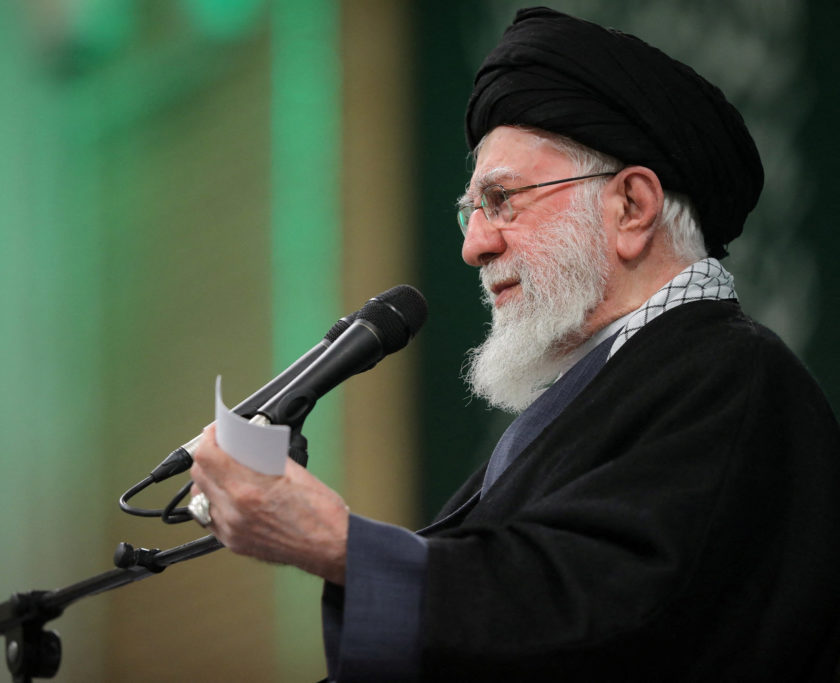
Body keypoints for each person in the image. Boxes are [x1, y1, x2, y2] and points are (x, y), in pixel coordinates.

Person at [189, 7, 840, 681]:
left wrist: (340, 543)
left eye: (502, 199)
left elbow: (599, 618)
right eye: (472, 211)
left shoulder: (732, 378)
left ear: (631, 207)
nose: (474, 245)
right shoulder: (616, 383)